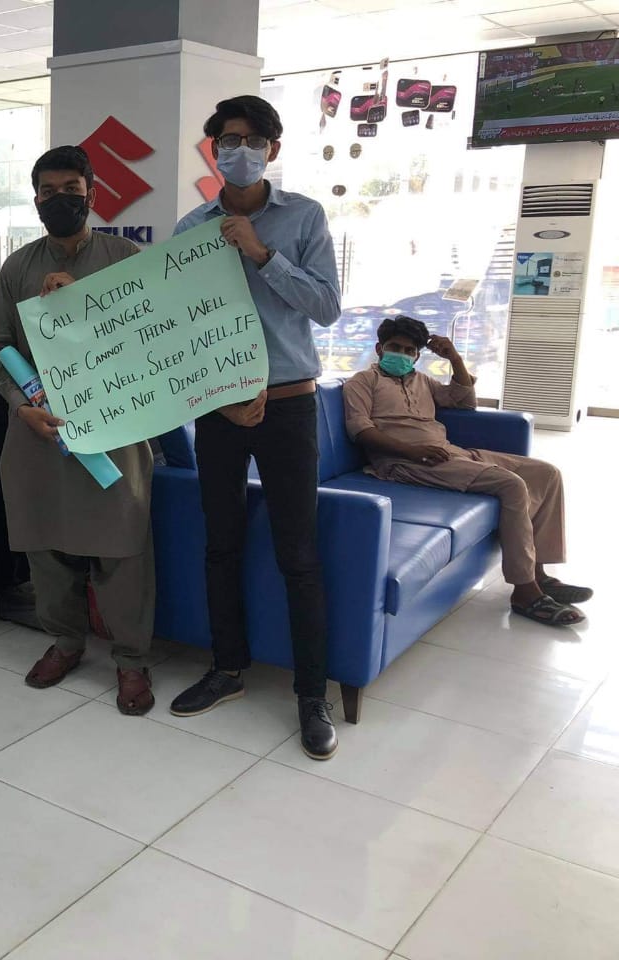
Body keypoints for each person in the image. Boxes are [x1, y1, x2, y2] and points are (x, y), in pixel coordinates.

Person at [169, 95, 342, 760]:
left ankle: (311, 694)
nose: (238, 151)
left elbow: (326, 307)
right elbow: (178, 324)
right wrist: (216, 398)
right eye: (227, 140)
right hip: (220, 407)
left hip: (289, 403)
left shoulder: (304, 216)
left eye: (251, 140)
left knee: (298, 553)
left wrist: (263, 254)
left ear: (272, 148)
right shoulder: (192, 227)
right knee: (221, 545)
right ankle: (227, 668)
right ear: (213, 149)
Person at [0, 146, 157, 717]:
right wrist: (21, 407)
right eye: (48, 192)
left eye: (71, 190)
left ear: (92, 194)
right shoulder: (18, 268)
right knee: (46, 544)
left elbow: (146, 338)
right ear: (35, 200)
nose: (60, 200)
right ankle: (64, 642)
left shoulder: (124, 258)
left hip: (114, 430)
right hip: (39, 431)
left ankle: (131, 659)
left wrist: (81, 308)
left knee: (121, 548)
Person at [345, 315, 590, 627]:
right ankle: (525, 592)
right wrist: (411, 451)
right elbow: (361, 431)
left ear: (417, 356)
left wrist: (455, 359)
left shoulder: (423, 381)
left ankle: (539, 572)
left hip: (448, 453)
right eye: (395, 347)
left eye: (409, 351)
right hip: (404, 464)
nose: (402, 355)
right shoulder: (362, 382)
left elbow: (464, 403)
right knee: (511, 484)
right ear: (380, 348)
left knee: (547, 473)